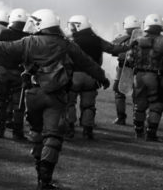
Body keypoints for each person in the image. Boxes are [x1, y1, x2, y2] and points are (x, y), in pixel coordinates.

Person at [0, 9, 109, 190]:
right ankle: (45, 178)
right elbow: (87, 62)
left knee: (37, 132)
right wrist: (102, 77)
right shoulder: (66, 44)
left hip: (33, 94)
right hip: (56, 95)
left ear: (41, 24)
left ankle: (39, 169)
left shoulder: (29, 42)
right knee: (53, 136)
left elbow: (0, 48)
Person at [64, 15, 125, 139]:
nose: (71, 28)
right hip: (93, 76)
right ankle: (87, 130)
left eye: (72, 25)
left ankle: (70, 129)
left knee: (69, 103)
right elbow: (113, 49)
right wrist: (129, 46)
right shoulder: (96, 39)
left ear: (78, 26)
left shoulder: (71, 40)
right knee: (88, 105)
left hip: (74, 75)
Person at [125, 13, 163, 141]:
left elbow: (129, 60)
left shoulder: (137, 41)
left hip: (138, 77)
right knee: (156, 105)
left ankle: (138, 132)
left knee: (139, 103)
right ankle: (151, 134)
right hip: (156, 77)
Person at [0, 8, 29, 140]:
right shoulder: (28, 37)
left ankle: (0, 130)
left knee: (1, 101)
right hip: (19, 73)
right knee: (18, 104)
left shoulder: (4, 33)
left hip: (3, 71)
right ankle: (17, 132)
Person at [111, 15, 140, 125]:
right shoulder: (143, 38)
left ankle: (121, 118)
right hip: (138, 70)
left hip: (124, 68)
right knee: (137, 95)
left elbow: (113, 50)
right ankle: (137, 120)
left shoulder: (121, 38)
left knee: (118, 92)